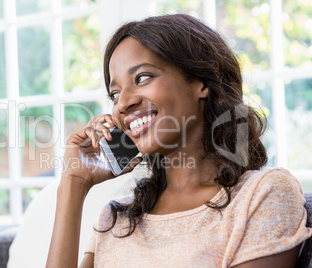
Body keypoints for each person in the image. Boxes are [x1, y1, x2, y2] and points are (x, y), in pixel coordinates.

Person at [46, 14, 312, 267]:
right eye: (114, 94)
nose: (124, 103)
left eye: (143, 78)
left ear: (201, 82)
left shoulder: (263, 194)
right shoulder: (117, 215)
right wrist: (73, 184)